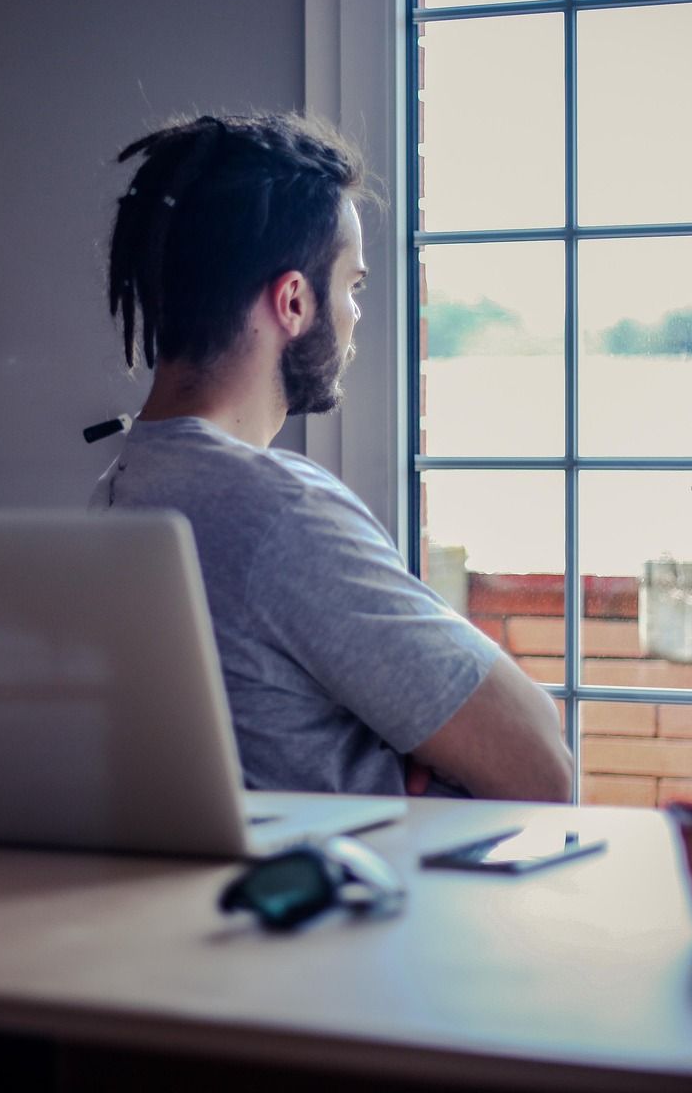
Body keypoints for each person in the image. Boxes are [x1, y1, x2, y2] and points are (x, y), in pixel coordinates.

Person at [90, 112, 572, 802]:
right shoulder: (275, 512)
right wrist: (407, 745)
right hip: (372, 903)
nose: (356, 314)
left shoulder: (120, 490)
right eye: (352, 285)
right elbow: (542, 765)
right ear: (293, 301)